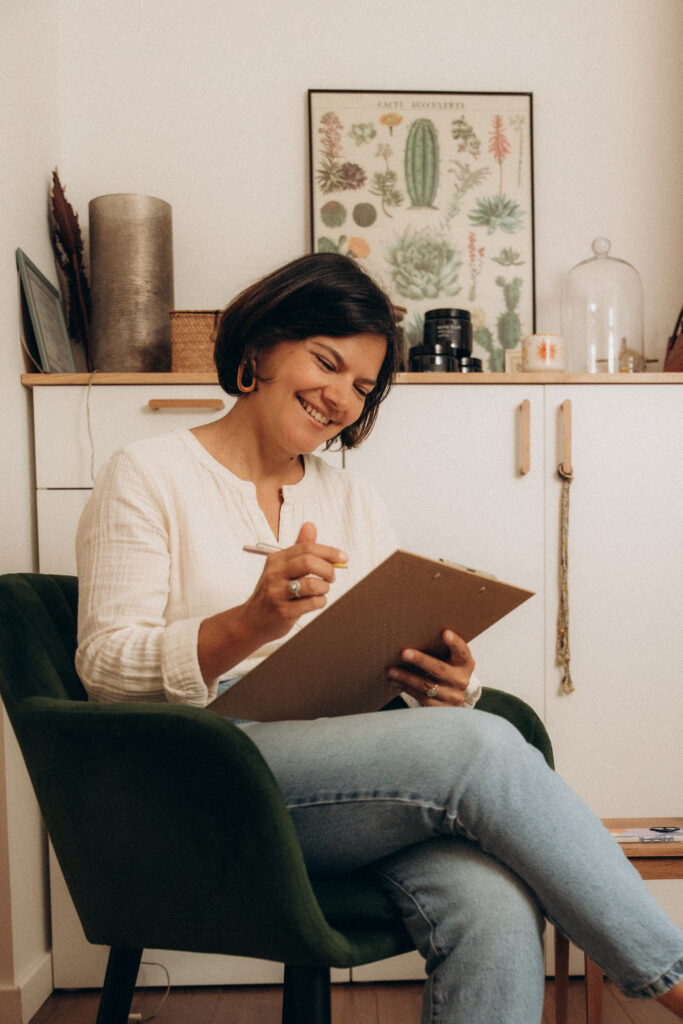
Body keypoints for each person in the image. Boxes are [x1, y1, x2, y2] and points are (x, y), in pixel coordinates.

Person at [76, 253, 683, 1023]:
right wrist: (248, 624)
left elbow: (376, 650)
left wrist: (447, 681)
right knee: (482, 746)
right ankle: (672, 981)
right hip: (208, 777)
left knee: (490, 899)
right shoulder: (146, 472)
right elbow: (102, 670)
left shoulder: (346, 495)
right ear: (260, 349)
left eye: (362, 387)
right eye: (326, 363)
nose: (339, 399)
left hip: (339, 772)